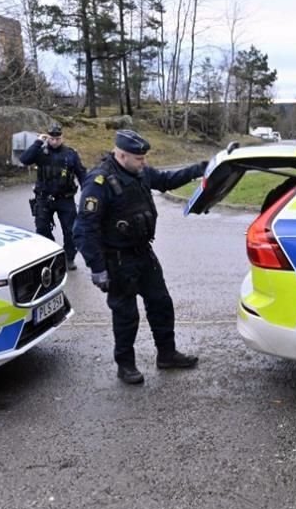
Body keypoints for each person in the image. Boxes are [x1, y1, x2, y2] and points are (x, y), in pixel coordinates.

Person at [73, 129, 209, 385]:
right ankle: (125, 365)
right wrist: (97, 268)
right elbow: (83, 229)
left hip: (143, 253)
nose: (144, 162)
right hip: (117, 260)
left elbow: (168, 179)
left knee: (161, 304)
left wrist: (202, 168)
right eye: (139, 158)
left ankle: (167, 354)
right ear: (122, 155)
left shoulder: (138, 172)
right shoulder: (99, 182)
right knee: (126, 316)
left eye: (144, 158)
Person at [19, 122, 87, 270]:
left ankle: (69, 257)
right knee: (42, 228)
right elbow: (24, 159)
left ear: (62, 138)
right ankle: (51, 255)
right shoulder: (40, 152)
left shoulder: (70, 154)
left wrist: (87, 194)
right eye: (51, 138)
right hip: (44, 198)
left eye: (57, 139)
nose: (54, 142)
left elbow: (82, 174)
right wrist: (38, 142)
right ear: (47, 138)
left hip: (65, 198)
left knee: (71, 230)